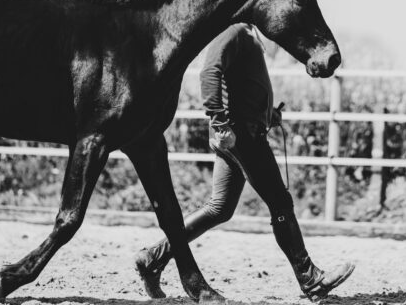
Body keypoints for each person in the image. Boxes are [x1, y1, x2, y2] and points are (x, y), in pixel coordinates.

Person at [134, 23, 354, 301]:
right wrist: (220, 122)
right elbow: (209, 71)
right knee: (280, 202)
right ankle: (310, 278)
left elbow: (242, 82)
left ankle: (153, 258)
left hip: (242, 131)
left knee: (219, 208)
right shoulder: (234, 30)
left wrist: (267, 112)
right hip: (242, 136)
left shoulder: (246, 32)